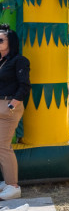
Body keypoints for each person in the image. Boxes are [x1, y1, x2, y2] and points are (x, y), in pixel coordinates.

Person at [0, 25, 30, 201]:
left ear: (10, 42)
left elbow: (24, 85)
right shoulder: (2, 61)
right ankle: (8, 183)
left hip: (8, 107)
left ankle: (13, 186)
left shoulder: (19, 60)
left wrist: (12, 106)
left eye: (1, 39)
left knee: (3, 147)